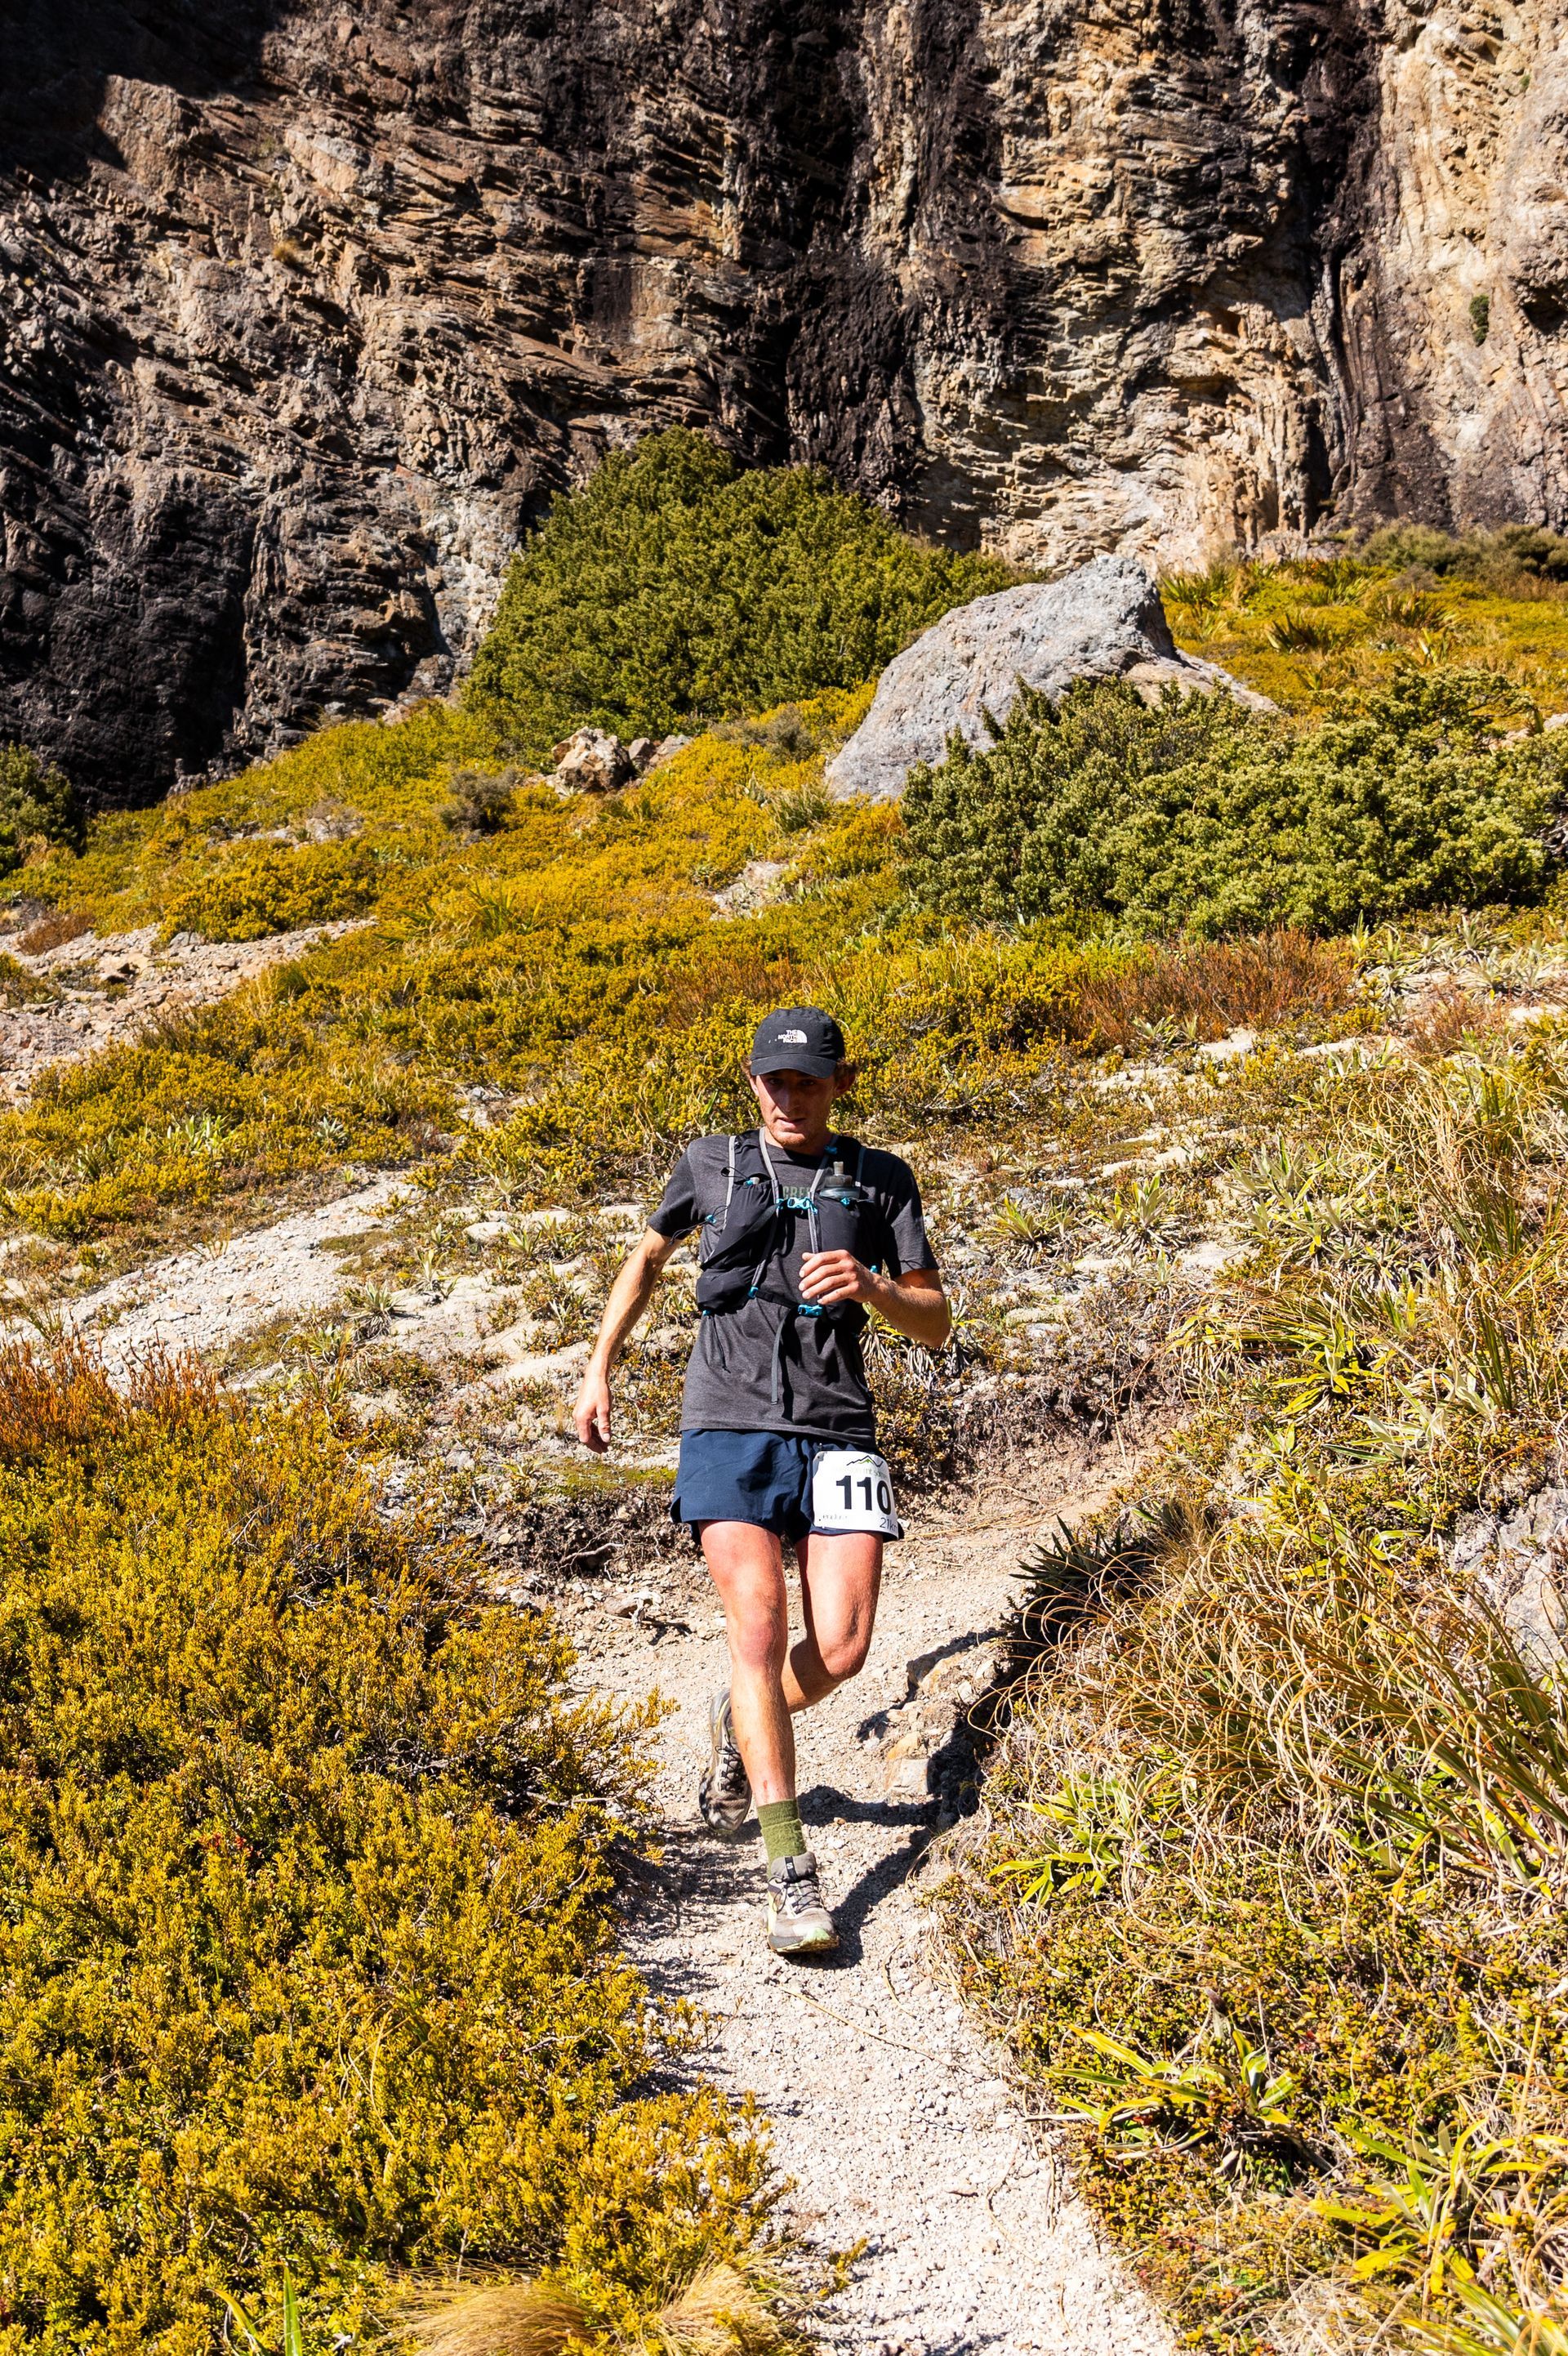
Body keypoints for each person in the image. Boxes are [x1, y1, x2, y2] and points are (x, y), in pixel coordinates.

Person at [573, 1006, 950, 1957]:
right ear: (754, 1083)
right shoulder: (710, 1160)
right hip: (726, 1422)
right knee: (759, 1626)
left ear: (840, 1083)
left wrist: (874, 1288)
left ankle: (740, 1717)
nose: (791, 1097)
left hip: (838, 1427)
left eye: (810, 1081)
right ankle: (792, 1874)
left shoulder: (881, 1178)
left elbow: (937, 1319)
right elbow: (648, 1258)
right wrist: (598, 1368)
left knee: (848, 1646)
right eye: (776, 1081)